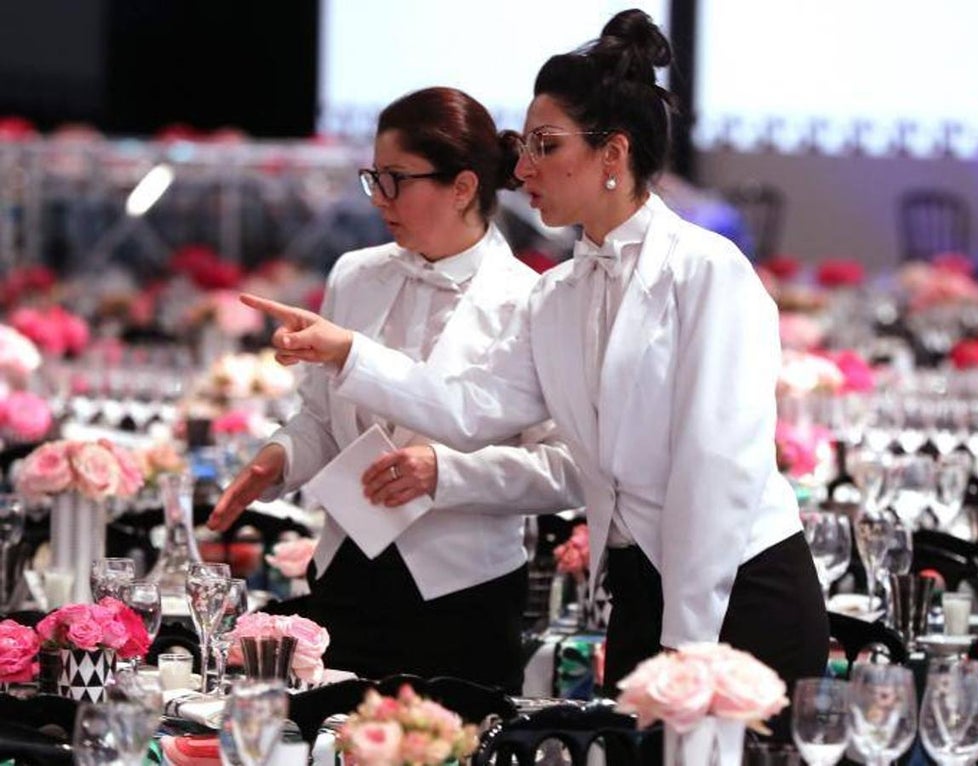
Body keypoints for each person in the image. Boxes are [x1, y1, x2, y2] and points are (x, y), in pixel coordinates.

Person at [240, 9, 828, 702]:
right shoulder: (558, 295)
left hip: (741, 590)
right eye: (524, 146)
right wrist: (348, 353)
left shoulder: (705, 270)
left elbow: (716, 467)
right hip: (642, 594)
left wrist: (688, 643)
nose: (520, 169)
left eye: (544, 146)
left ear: (614, 153)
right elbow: (466, 407)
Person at [207, 86, 582, 691]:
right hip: (346, 571)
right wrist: (277, 459)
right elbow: (323, 419)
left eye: (397, 179)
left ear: (462, 187)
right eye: (373, 178)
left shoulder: (533, 299)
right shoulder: (355, 274)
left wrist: (446, 474)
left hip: (463, 594)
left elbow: (565, 468)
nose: (381, 198)